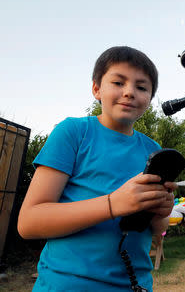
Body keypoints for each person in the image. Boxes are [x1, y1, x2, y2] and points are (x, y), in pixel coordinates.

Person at [17, 46, 176, 291]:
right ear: (96, 89)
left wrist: (161, 211)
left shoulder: (153, 149)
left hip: (135, 284)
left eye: (141, 87)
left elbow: (158, 229)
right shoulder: (73, 133)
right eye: (118, 82)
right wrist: (113, 204)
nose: (129, 92)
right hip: (66, 284)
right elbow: (29, 222)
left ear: (150, 99)